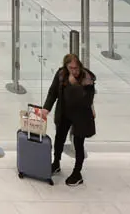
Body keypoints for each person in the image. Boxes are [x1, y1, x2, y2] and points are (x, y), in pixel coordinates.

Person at [42, 52, 96, 187]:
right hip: (64, 112)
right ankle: (56, 163)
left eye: (76, 68)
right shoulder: (61, 75)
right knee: (59, 138)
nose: (74, 71)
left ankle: (77, 173)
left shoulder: (87, 79)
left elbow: (85, 100)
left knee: (78, 144)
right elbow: (53, 91)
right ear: (66, 67)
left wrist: (75, 86)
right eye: (71, 68)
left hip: (80, 116)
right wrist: (46, 108)